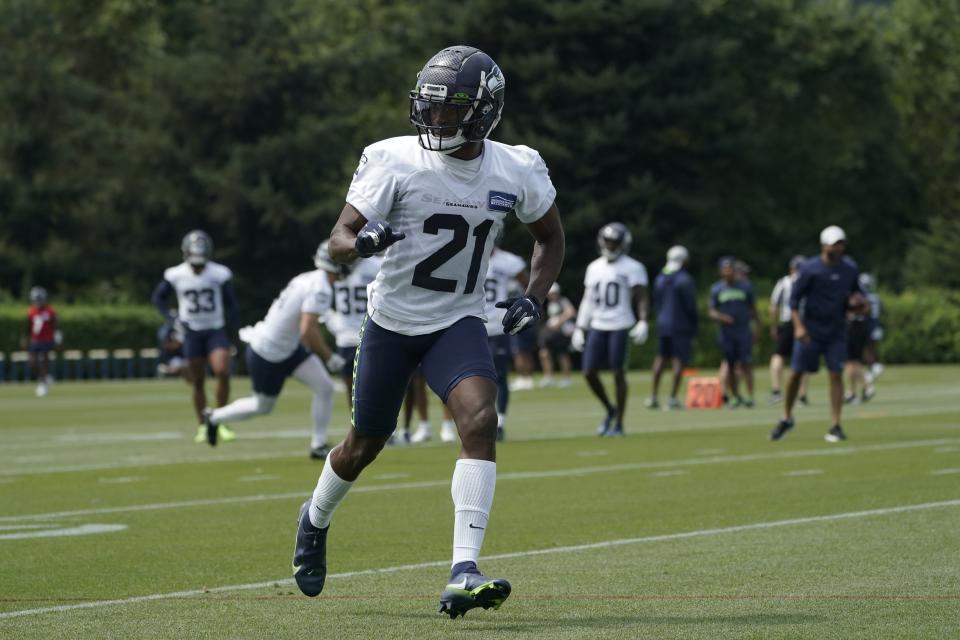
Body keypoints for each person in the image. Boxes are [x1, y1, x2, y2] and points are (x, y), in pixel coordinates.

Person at [292, 46, 565, 620]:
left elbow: (550, 237)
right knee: (366, 442)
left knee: (480, 420)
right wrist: (362, 243)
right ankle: (314, 519)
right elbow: (338, 238)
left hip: (457, 320)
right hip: (391, 321)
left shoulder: (516, 166)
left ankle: (463, 569)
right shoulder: (392, 158)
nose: (438, 119)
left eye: (453, 110)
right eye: (432, 107)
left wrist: (534, 299)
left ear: (485, 111)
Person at [204, 242, 345, 457]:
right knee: (263, 407)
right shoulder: (321, 287)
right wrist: (329, 357)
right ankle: (213, 417)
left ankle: (318, 445)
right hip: (268, 353)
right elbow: (307, 330)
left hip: (288, 347)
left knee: (324, 387)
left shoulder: (306, 278)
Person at [770, 225, 865, 443]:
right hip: (811, 330)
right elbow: (794, 301)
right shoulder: (810, 268)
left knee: (835, 374)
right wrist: (799, 327)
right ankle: (786, 417)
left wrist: (860, 304)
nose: (839, 248)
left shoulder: (849, 269)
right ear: (824, 246)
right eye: (835, 244)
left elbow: (857, 293)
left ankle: (835, 424)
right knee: (796, 373)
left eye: (841, 243)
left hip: (836, 330)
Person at [151, 230, 239, 444]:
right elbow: (158, 298)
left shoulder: (219, 273)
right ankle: (203, 425)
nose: (198, 266)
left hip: (215, 329)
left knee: (222, 372)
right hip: (191, 332)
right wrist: (172, 320)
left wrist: (233, 333)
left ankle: (220, 420)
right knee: (198, 380)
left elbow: (232, 304)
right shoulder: (176, 274)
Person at [571, 222, 649, 436]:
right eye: (608, 241)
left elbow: (641, 296)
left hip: (620, 324)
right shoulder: (594, 267)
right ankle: (610, 408)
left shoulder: (633, 267)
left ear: (623, 244)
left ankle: (620, 423)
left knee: (618, 372)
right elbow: (588, 300)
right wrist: (580, 327)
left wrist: (643, 320)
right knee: (588, 372)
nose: (611, 246)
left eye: (615, 242)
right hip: (597, 323)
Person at [480, 235, 529, 440]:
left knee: (500, 376)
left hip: (499, 325)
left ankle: (500, 422)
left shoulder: (509, 261)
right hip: (475, 324)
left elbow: (529, 285)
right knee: (478, 377)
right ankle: (481, 419)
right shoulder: (470, 254)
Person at [648, 245, 698, 410]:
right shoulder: (685, 279)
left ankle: (653, 397)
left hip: (663, 324)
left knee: (660, 359)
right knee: (678, 360)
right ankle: (672, 398)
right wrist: (694, 326)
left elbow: (656, 302)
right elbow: (690, 306)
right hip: (680, 325)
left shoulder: (660, 278)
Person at [708, 256, 757, 407]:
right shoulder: (716, 289)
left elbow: (753, 310)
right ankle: (735, 395)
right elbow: (711, 311)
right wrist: (723, 318)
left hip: (743, 331)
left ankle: (750, 395)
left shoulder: (745, 286)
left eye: (730, 269)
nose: (728, 272)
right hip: (726, 334)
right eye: (725, 269)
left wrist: (756, 328)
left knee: (746, 364)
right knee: (729, 365)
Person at [769, 255, 809, 405]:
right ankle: (802, 395)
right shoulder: (808, 281)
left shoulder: (784, 282)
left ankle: (776, 391)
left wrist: (774, 326)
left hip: (787, 321)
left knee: (779, 355)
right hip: (804, 323)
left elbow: (774, 306)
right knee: (803, 358)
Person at [538, 283, 576, 389]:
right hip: (551, 332)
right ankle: (548, 377)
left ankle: (566, 378)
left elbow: (571, 312)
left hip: (561, 332)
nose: (551, 295)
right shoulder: (549, 304)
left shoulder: (563, 301)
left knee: (562, 354)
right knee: (544, 353)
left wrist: (559, 322)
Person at [24, 286, 59, 397]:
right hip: (35, 340)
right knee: (32, 362)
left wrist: (56, 338)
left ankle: (42, 384)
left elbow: (55, 326)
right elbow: (28, 327)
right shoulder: (31, 311)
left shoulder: (50, 311)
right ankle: (43, 377)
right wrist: (26, 338)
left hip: (47, 340)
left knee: (44, 361)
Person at [859, 273, 883, 398]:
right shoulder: (876, 297)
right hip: (877, 326)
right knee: (872, 351)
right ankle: (872, 369)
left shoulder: (864, 297)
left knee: (864, 352)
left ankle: (874, 368)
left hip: (869, 326)